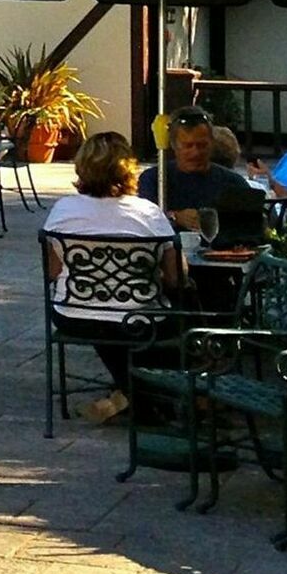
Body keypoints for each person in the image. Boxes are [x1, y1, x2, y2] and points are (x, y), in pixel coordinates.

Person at [43, 131, 183, 426]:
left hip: (75, 315)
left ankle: (130, 395)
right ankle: (150, 395)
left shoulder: (62, 211)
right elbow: (175, 277)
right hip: (139, 319)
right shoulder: (148, 213)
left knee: (105, 320)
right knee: (177, 315)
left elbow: (52, 272)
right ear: (128, 168)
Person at [137, 107, 250, 228]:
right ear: (174, 145)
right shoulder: (155, 179)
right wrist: (175, 216)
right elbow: (145, 221)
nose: (195, 152)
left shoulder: (234, 183)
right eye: (187, 146)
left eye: (202, 145)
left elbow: (249, 227)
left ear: (211, 143)